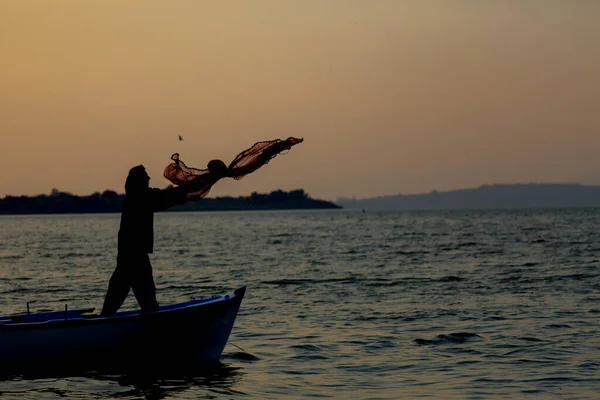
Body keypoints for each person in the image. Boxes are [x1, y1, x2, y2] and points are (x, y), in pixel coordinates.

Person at [100, 161, 228, 317]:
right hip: (134, 258)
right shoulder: (140, 198)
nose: (149, 178)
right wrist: (208, 178)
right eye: (145, 177)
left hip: (131, 257)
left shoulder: (137, 197)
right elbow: (169, 196)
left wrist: (206, 179)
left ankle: (105, 324)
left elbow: (168, 196)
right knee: (134, 299)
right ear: (139, 182)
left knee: (124, 297)